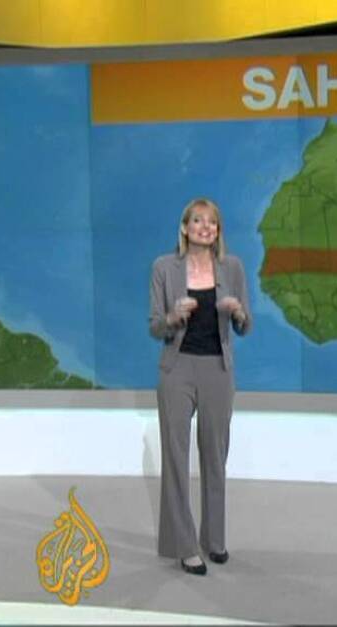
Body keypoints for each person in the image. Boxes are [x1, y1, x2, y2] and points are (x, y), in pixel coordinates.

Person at [148, 197, 252, 575]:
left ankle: (215, 540)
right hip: (177, 369)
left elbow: (246, 325)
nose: (205, 227)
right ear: (185, 228)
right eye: (197, 220)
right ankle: (185, 546)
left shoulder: (232, 267)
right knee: (176, 458)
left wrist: (237, 312)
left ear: (218, 230)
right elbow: (155, 326)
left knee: (215, 456)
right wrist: (174, 316)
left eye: (212, 222)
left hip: (218, 370)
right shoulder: (164, 267)